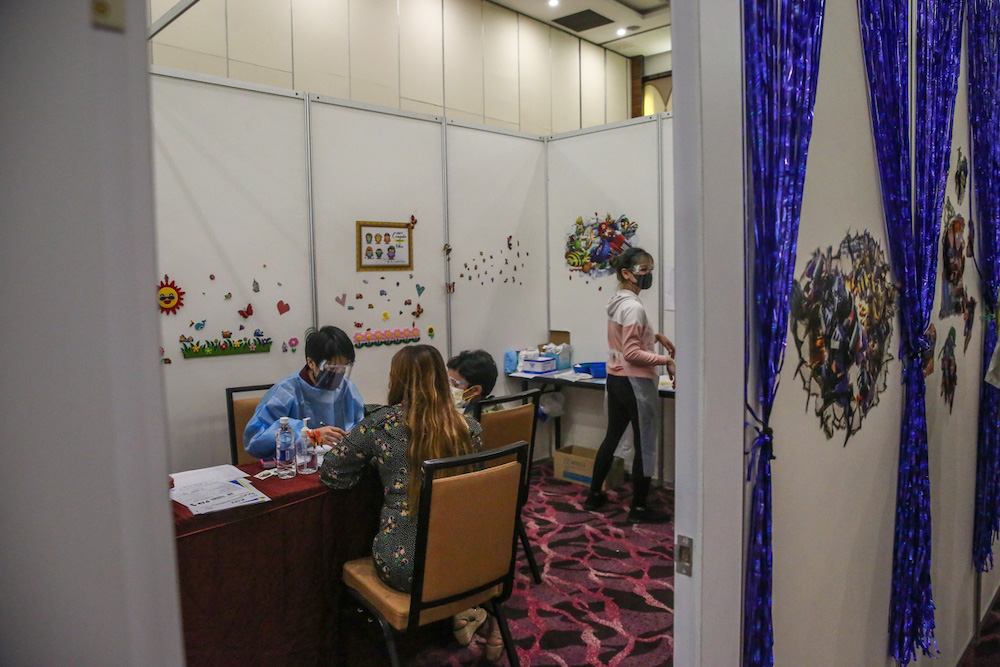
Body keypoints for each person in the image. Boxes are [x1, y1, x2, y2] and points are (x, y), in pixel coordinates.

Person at [319, 345, 504, 659]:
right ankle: (463, 614)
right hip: (469, 562)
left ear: (397, 380)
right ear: (441, 380)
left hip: (407, 569)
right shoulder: (468, 428)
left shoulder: (381, 425)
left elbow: (333, 473)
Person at [583, 247, 676, 523]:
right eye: (643, 270)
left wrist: (654, 334)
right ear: (626, 273)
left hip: (616, 379)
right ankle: (638, 508)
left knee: (611, 437)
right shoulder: (634, 307)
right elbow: (633, 352)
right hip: (635, 382)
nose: (648, 275)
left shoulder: (618, 302)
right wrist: (665, 361)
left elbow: (626, 340)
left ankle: (593, 496)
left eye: (650, 269)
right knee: (645, 443)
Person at [243, 325, 364, 459]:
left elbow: (361, 426)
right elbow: (255, 441)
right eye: (332, 367)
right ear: (311, 362)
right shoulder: (286, 391)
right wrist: (311, 436)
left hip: (338, 464)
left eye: (343, 367)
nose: (338, 374)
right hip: (296, 468)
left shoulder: (347, 388)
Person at [446, 349, 499, 415]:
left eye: (455, 384)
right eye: (448, 381)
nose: (448, 387)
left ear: (475, 390)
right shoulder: (497, 408)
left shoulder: (470, 421)